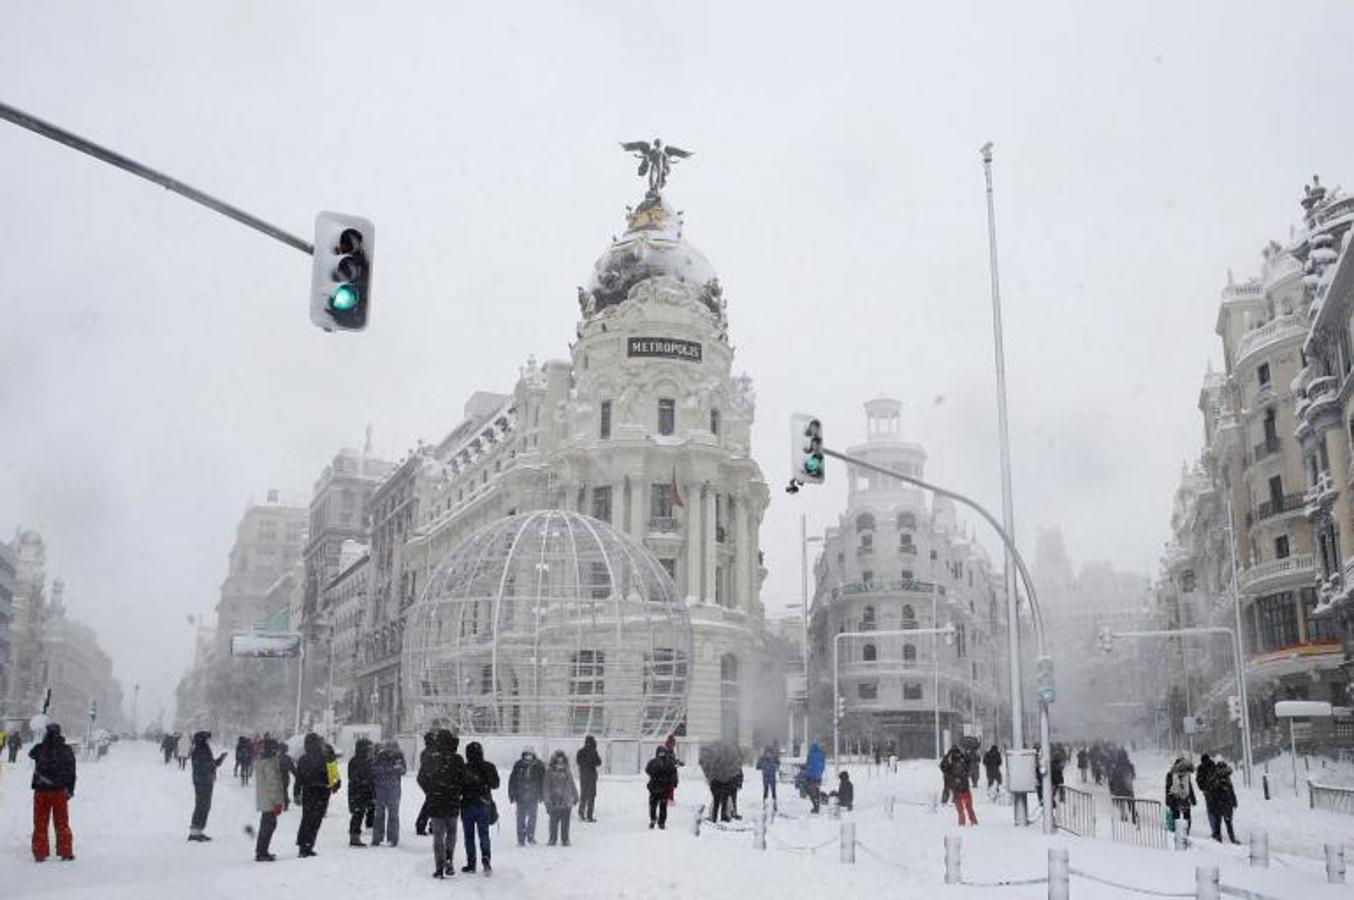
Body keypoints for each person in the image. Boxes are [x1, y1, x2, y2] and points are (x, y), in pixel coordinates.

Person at [418, 729, 465, 878]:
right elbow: (463, 779)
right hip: (452, 800)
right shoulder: (457, 760)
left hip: (435, 801)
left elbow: (421, 778)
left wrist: (430, 791)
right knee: (451, 832)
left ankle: (439, 865)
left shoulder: (431, 759)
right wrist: (457, 790)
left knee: (438, 834)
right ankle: (449, 858)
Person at [30, 722, 76, 862]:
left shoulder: (40, 748)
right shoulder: (66, 750)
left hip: (41, 790)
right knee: (62, 822)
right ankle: (65, 851)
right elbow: (71, 772)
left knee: (40, 822)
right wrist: (70, 790)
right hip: (59, 791)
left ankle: (40, 853)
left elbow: (31, 754)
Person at [460, 740, 499, 874]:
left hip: (467, 805)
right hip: (483, 804)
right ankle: (486, 859)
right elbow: (496, 784)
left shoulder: (464, 768)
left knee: (469, 836)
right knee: (484, 834)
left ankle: (471, 863)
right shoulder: (489, 766)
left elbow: (459, 787)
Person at [294, 733, 330, 858]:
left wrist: (297, 792)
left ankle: (304, 846)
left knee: (307, 819)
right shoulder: (324, 758)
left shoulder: (303, 759)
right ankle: (308, 845)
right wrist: (333, 784)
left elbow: (298, 778)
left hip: (308, 792)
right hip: (322, 792)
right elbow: (332, 776)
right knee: (315, 820)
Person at [187, 731, 228, 842]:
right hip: (203, 782)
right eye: (206, 739)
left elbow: (210, 764)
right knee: (202, 806)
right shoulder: (201, 749)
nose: (208, 741)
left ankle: (198, 831)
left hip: (204, 781)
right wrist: (217, 762)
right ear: (203, 740)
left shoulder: (201, 749)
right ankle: (195, 832)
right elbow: (208, 765)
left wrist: (220, 759)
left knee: (203, 806)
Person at [253, 736, 285, 862]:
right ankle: (262, 852)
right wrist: (277, 802)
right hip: (270, 801)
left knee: (266, 825)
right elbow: (273, 784)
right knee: (268, 826)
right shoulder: (270, 763)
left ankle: (261, 850)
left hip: (265, 799)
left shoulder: (262, 760)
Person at [371, 739, 406, 847]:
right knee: (390, 814)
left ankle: (379, 838)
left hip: (383, 787)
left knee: (382, 814)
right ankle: (390, 839)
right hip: (391, 787)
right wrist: (392, 769)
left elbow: (403, 770)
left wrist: (386, 770)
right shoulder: (383, 756)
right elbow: (374, 769)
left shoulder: (396, 756)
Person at [508, 747, 545, 846]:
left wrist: (542, 795)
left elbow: (543, 781)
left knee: (532, 817)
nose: (528, 756)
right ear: (523, 755)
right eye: (526, 754)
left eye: (530, 754)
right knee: (521, 817)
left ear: (533, 755)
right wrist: (512, 794)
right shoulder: (518, 765)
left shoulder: (538, 765)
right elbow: (512, 780)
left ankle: (530, 836)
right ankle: (521, 838)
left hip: (534, 795)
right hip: (520, 796)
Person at [543, 749, 579, 846]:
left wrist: (575, 795)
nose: (560, 762)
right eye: (558, 760)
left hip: (566, 801)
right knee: (553, 823)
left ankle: (565, 839)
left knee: (565, 823)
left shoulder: (567, 771)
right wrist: (547, 801)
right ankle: (552, 839)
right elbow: (546, 787)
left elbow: (571, 784)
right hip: (554, 801)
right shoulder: (549, 772)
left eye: (561, 759)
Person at [347, 737, 375, 847]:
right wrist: (365, 782)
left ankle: (356, 835)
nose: (371, 751)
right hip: (357, 792)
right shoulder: (355, 761)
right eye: (369, 748)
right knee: (357, 814)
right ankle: (354, 837)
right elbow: (353, 777)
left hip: (366, 791)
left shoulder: (369, 761)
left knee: (361, 813)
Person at [1203, 761, 1239, 844]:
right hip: (1226, 804)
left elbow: (1211, 792)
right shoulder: (1227, 778)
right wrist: (1234, 802)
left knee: (1219, 823)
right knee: (1228, 823)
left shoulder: (1215, 778)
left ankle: (1219, 839)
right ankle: (1232, 839)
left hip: (1219, 804)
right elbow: (1231, 791)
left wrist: (1211, 804)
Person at [941, 745, 977, 826]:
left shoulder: (949, 759)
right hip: (965, 786)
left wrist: (947, 756)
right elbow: (969, 767)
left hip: (956, 787)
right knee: (969, 807)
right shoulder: (963, 757)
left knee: (960, 809)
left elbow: (943, 767)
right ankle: (973, 821)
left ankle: (961, 823)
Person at [645, 745, 678, 829]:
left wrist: (654, 775)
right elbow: (673, 774)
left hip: (654, 786)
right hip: (664, 787)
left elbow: (647, 770)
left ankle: (653, 819)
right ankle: (661, 822)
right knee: (662, 805)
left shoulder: (652, 762)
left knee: (653, 804)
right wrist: (673, 783)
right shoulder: (669, 762)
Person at [1165, 757, 1197, 836]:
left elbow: (1167, 788)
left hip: (1175, 799)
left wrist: (1168, 800)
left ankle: (1181, 833)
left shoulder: (1172, 774)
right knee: (1185, 816)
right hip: (1182, 798)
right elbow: (1189, 787)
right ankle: (1183, 833)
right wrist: (1193, 799)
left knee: (1178, 816)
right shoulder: (1172, 774)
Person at [576, 735, 602, 823]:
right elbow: (599, 762)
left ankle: (581, 814)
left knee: (584, 795)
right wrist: (591, 763)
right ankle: (589, 816)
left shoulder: (581, 752)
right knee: (591, 796)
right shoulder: (593, 752)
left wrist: (587, 764)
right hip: (591, 776)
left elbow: (579, 762)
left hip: (584, 776)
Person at [756, 745, 780, 811]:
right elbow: (757, 766)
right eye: (767, 752)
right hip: (767, 776)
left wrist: (776, 766)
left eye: (769, 752)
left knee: (773, 790)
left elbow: (778, 763)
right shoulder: (763, 758)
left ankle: (774, 803)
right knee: (766, 790)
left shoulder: (771, 758)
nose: (768, 754)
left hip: (771, 776)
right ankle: (766, 803)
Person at [804, 741, 825, 814]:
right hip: (818, 777)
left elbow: (808, 765)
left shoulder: (810, 754)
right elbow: (823, 766)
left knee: (810, 790)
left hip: (811, 776)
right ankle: (817, 805)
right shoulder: (821, 754)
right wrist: (820, 773)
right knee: (817, 790)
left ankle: (815, 806)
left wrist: (807, 774)